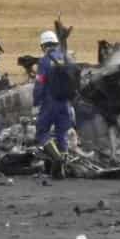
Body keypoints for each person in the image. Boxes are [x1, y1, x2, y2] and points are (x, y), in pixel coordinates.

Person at [33, 30, 77, 178]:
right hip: (66, 103)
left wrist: (36, 101)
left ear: (43, 45)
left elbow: (40, 83)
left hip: (50, 103)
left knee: (41, 132)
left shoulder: (44, 61)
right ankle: (61, 171)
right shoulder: (67, 57)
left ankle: (57, 159)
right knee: (62, 134)